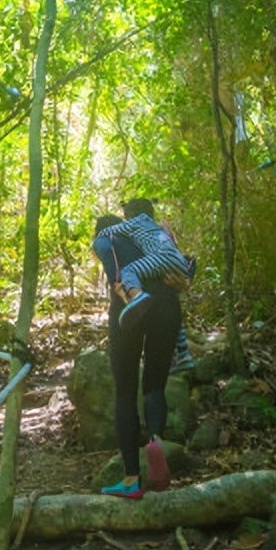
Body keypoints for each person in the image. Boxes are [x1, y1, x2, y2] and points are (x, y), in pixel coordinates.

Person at [90, 212, 181, 498]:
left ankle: (131, 480)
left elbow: (116, 275)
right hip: (167, 304)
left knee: (126, 393)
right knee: (155, 386)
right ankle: (155, 439)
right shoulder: (148, 242)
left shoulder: (106, 240)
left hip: (130, 306)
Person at [93, 198, 195, 372]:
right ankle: (180, 355)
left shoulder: (112, 241)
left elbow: (116, 276)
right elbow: (187, 261)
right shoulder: (156, 234)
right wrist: (187, 279)